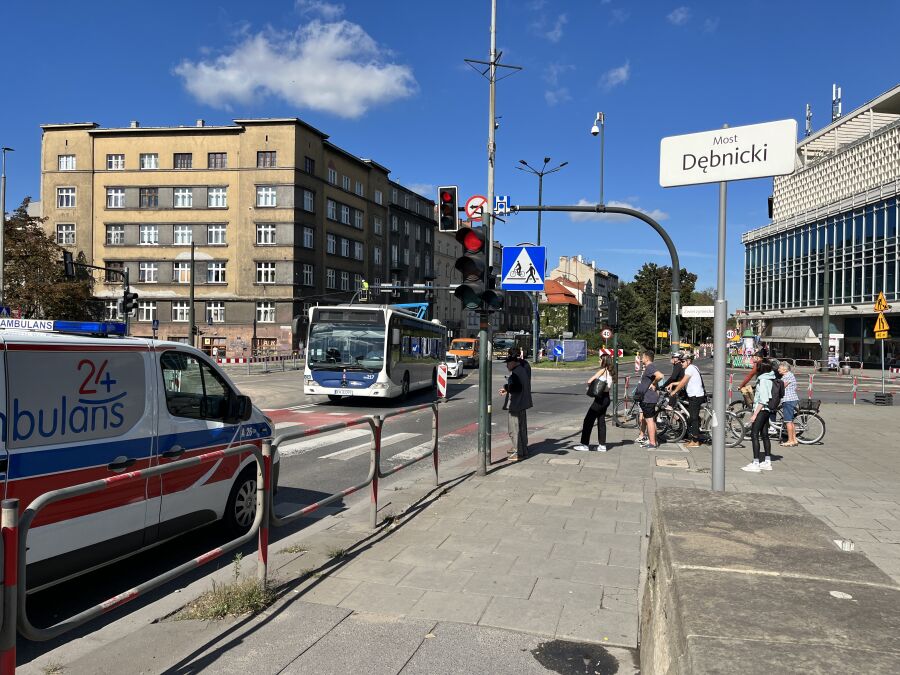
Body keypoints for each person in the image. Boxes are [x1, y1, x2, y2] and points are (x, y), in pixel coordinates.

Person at [742, 361, 779, 472]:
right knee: (765, 435)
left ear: (761, 369)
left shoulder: (763, 380)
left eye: (757, 367)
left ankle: (756, 462)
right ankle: (767, 461)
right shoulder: (770, 378)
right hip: (767, 410)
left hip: (761, 410)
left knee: (754, 434)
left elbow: (763, 399)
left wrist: (754, 414)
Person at [573, 354, 615, 452]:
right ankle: (602, 445)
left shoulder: (602, 370)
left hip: (600, 399)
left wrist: (591, 386)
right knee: (601, 421)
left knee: (588, 420)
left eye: (600, 360)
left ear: (604, 361)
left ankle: (584, 444)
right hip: (606, 398)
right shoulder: (611, 371)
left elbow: (589, 381)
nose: (598, 361)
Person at [499, 354, 533, 462]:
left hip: (516, 405)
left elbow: (516, 388)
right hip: (523, 404)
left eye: (508, 363)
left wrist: (506, 387)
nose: (507, 366)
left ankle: (519, 453)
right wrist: (507, 389)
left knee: (514, 430)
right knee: (522, 429)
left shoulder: (515, 374)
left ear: (513, 363)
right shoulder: (523, 370)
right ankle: (523, 451)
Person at [667, 353, 706, 448]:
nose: (681, 363)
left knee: (693, 418)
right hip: (696, 395)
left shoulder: (689, 369)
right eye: (680, 361)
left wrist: (674, 391)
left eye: (683, 361)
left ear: (688, 361)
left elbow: (683, 382)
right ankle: (693, 437)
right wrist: (673, 384)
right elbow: (684, 380)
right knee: (691, 416)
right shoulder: (693, 367)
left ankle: (696, 441)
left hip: (695, 396)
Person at [635, 350, 663, 449]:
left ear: (647, 358)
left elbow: (660, 375)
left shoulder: (650, 366)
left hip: (648, 398)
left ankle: (652, 443)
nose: (641, 359)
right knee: (651, 420)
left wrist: (654, 383)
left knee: (649, 420)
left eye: (643, 357)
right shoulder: (650, 367)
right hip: (648, 398)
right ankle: (654, 440)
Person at [778, 361, 800, 447]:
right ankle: (794, 440)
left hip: (788, 400)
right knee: (790, 421)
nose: (778, 369)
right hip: (791, 399)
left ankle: (790, 440)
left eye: (780, 368)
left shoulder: (787, 376)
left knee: (788, 421)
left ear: (785, 369)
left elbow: (782, 387)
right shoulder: (789, 375)